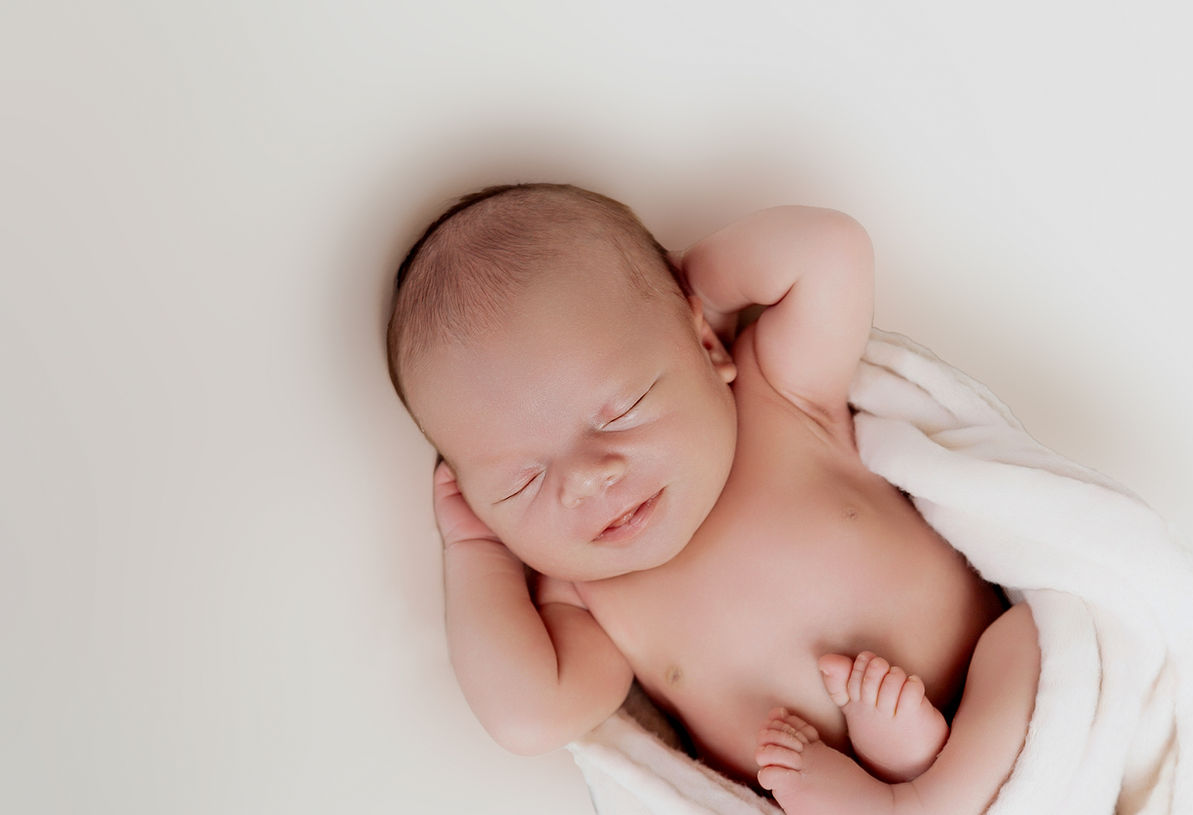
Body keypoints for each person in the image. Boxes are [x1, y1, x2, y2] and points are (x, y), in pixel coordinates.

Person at [386, 182, 1042, 814]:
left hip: (984, 703)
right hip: (815, 786)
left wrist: (700, 285)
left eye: (619, 413)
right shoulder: (587, 592)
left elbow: (830, 249)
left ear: (703, 345)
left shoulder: (776, 399)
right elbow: (529, 715)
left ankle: (928, 794)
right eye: (521, 481)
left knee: (1027, 641)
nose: (587, 479)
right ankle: (901, 785)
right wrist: (476, 552)